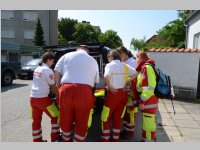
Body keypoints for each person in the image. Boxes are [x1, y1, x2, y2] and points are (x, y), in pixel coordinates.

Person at [54, 45, 99, 142]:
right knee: (82, 120)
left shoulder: (66, 56)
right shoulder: (93, 60)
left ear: (77, 49)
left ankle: (66, 139)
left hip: (66, 89)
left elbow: (56, 72)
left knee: (65, 118)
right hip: (84, 91)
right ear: (87, 51)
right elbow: (96, 81)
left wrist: (58, 87)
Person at [101, 49, 138, 142]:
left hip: (113, 94)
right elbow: (136, 73)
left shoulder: (109, 65)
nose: (108, 59)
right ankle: (115, 139)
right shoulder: (125, 65)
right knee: (118, 117)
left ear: (111, 57)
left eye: (108, 57)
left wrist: (110, 86)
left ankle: (105, 139)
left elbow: (106, 76)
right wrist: (127, 81)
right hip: (123, 94)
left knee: (105, 116)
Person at [30, 52, 60, 142]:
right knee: (56, 115)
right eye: (52, 61)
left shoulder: (37, 69)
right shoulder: (47, 70)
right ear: (48, 60)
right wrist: (59, 96)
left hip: (32, 98)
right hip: (43, 99)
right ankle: (55, 138)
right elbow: (53, 86)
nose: (53, 63)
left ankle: (37, 140)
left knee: (36, 121)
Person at [135, 51, 159, 142]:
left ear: (141, 58)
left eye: (136, 57)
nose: (136, 60)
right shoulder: (145, 67)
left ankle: (148, 141)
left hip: (148, 102)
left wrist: (142, 102)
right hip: (150, 101)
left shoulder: (146, 67)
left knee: (148, 125)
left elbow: (148, 89)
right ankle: (147, 139)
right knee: (148, 124)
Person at [117, 46, 138, 139]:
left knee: (130, 114)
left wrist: (125, 81)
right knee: (126, 114)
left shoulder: (132, 62)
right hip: (126, 92)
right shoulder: (125, 62)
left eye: (120, 54)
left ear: (125, 53)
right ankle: (126, 130)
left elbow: (134, 76)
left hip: (131, 93)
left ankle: (129, 133)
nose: (119, 56)